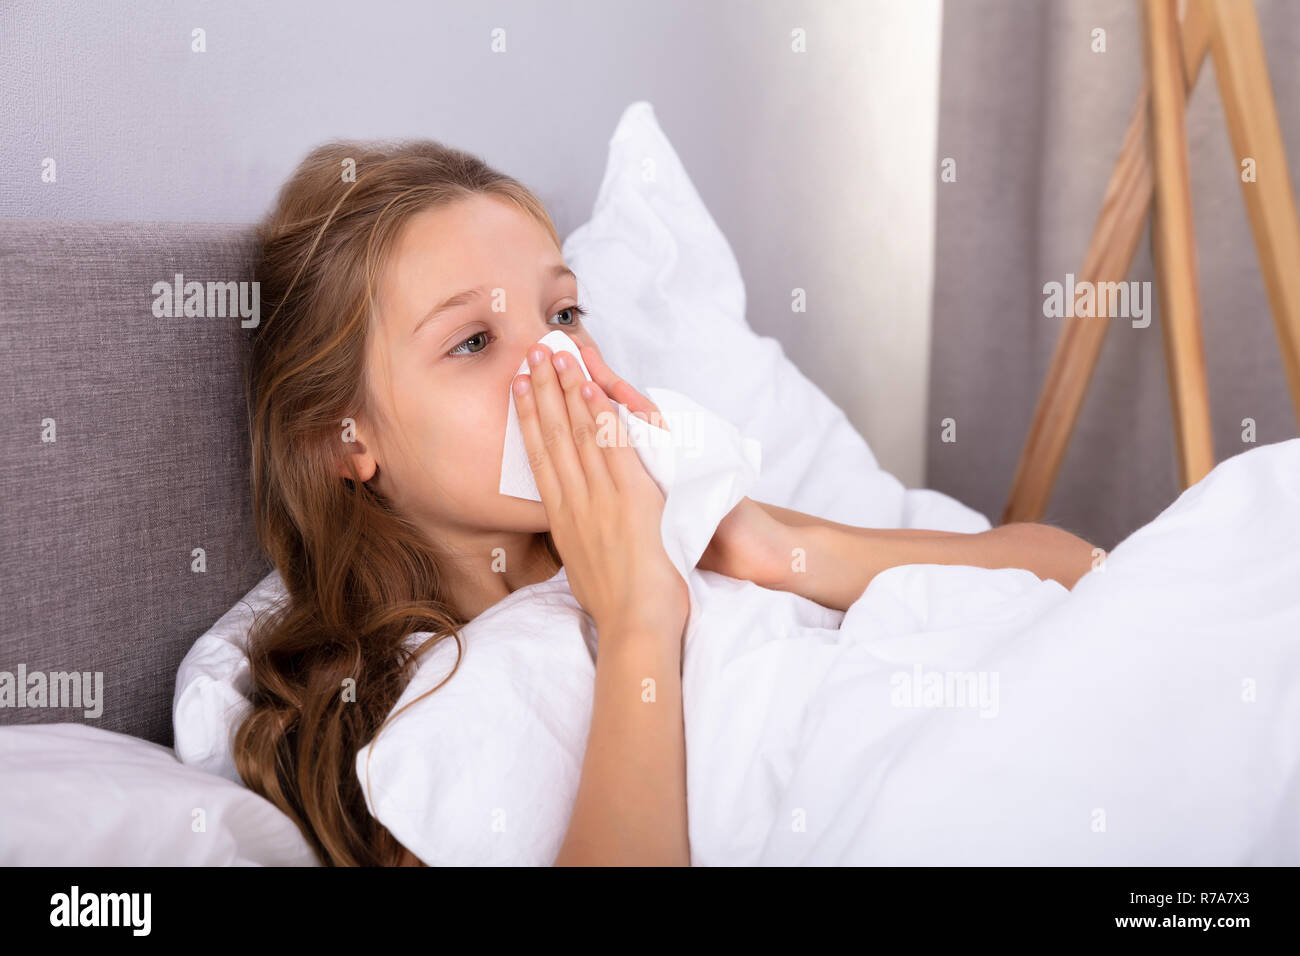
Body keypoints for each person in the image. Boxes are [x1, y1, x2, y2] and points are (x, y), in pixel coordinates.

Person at [237, 139, 1097, 867]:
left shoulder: (688, 520)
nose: (557, 364)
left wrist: (765, 543)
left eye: (564, 314)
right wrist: (640, 619)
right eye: (473, 340)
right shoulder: (436, 714)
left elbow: (1082, 571)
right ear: (345, 438)